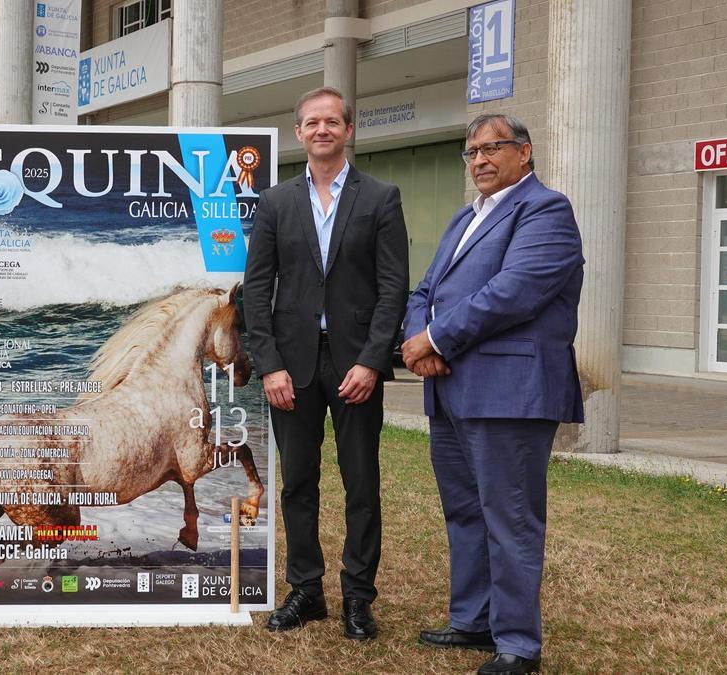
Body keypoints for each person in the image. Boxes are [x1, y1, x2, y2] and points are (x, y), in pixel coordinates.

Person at [401, 113, 584, 675]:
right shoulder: (465, 217)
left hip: (510, 392)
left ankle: (518, 645)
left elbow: (512, 293)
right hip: (453, 390)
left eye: (492, 148)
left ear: (524, 153)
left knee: (510, 519)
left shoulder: (546, 210)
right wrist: (416, 337)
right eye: (471, 151)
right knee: (464, 511)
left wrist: (435, 336)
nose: (480, 159)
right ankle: (473, 622)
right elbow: (426, 288)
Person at [244, 87, 409, 639]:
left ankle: (359, 598)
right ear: (298, 133)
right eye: (312, 122)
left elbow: (393, 289)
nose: (322, 129)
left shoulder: (382, 198)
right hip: (290, 367)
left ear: (348, 130)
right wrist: (267, 364)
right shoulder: (275, 202)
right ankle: (306, 590)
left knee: (362, 484)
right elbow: (256, 289)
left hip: (355, 366)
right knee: (298, 483)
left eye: (332, 121)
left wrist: (371, 361)